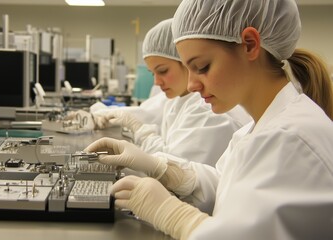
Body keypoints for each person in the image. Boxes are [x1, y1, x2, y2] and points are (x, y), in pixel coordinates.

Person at [84, 0, 333, 239]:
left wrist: (174, 215)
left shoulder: (290, 139)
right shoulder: (256, 129)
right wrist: (161, 168)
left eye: (201, 67)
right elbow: (225, 186)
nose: (191, 84)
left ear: (249, 44)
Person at [97, 18, 249, 166]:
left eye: (162, 71)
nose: (156, 82)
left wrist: (140, 130)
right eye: (152, 73)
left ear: (186, 62)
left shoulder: (207, 108)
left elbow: (173, 167)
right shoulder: (177, 101)